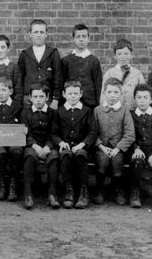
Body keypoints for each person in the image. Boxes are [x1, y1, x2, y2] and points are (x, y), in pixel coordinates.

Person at [53, 81, 96, 209]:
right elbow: (54, 133)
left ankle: (83, 191)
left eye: (76, 93)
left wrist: (82, 144)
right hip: (65, 146)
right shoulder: (59, 112)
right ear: (64, 94)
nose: (73, 96)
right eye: (70, 93)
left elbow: (92, 132)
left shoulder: (87, 111)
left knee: (81, 155)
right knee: (65, 155)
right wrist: (61, 142)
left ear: (81, 94)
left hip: (81, 146)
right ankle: (69, 190)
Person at [93, 77, 135, 205]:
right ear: (104, 93)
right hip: (102, 148)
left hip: (119, 149)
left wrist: (118, 148)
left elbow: (130, 134)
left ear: (121, 94)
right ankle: (99, 190)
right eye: (109, 92)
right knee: (103, 159)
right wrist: (101, 146)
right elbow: (92, 133)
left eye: (116, 92)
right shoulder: (97, 110)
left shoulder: (125, 111)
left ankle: (119, 190)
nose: (112, 96)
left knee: (117, 160)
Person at [21, 84, 60, 209]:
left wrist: (48, 146)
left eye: (41, 96)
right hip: (32, 146)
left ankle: (52, 193)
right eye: (35, 96)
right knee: (29, 157)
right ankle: (28, 193)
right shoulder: (25, 113)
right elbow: (25, 133)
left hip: (48, 145)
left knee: (54, 158)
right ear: (30, 98)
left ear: (47, 97)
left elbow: (54, 133)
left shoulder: (53, 113)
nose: (38, 99)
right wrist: (35, 146)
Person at [18, 19, 62, 109]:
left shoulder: (53, 53)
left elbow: (58, 78)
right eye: (36, 32)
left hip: (47, 99)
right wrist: (21, 99)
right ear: (30, 34)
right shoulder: (25, 54)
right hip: (28, 100)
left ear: (46, 34)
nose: (38, 35)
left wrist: (55, 99)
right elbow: (20, 79)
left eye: (41, 32)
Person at [61, 23, 102, 109]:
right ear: (73, 39)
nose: (81, 39)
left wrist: (98, 104)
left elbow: (98, 84)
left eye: (84, 36)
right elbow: (62, 83)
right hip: (70, 103)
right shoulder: (66, 61)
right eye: (78, 37)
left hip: (90, 104)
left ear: (88, 39)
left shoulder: (94, 60)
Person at [101, 39, 145, 110]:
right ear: (115, 56)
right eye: (119, 54)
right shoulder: (109, 73)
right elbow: (103, 96)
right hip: (114, 112)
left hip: (133, 112)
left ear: (131, 55)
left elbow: (143, 93)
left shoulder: (137, 74)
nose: (123, 57)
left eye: (126, 53)